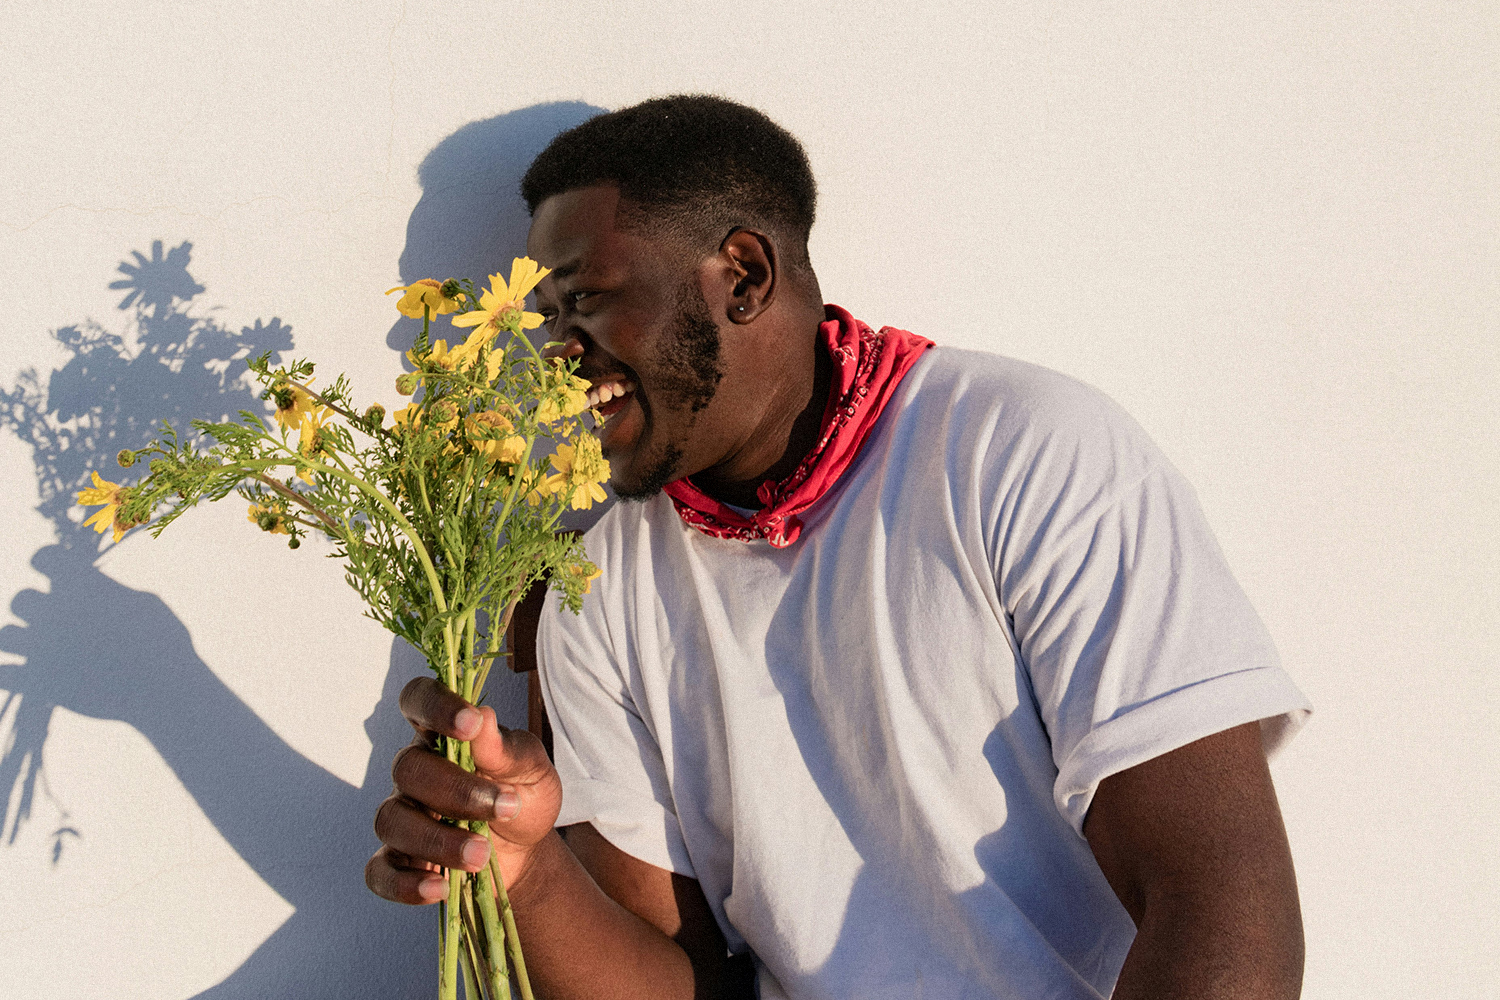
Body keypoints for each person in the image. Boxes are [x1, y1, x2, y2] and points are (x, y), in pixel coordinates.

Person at [366, 95, 1312, 1000]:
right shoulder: (598, 586)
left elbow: (1223, 909)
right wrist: (524, 874)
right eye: (542, 322)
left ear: (743, 275)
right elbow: (685, 980)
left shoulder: (1022, 451)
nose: (557, 352)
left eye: (587, 301)